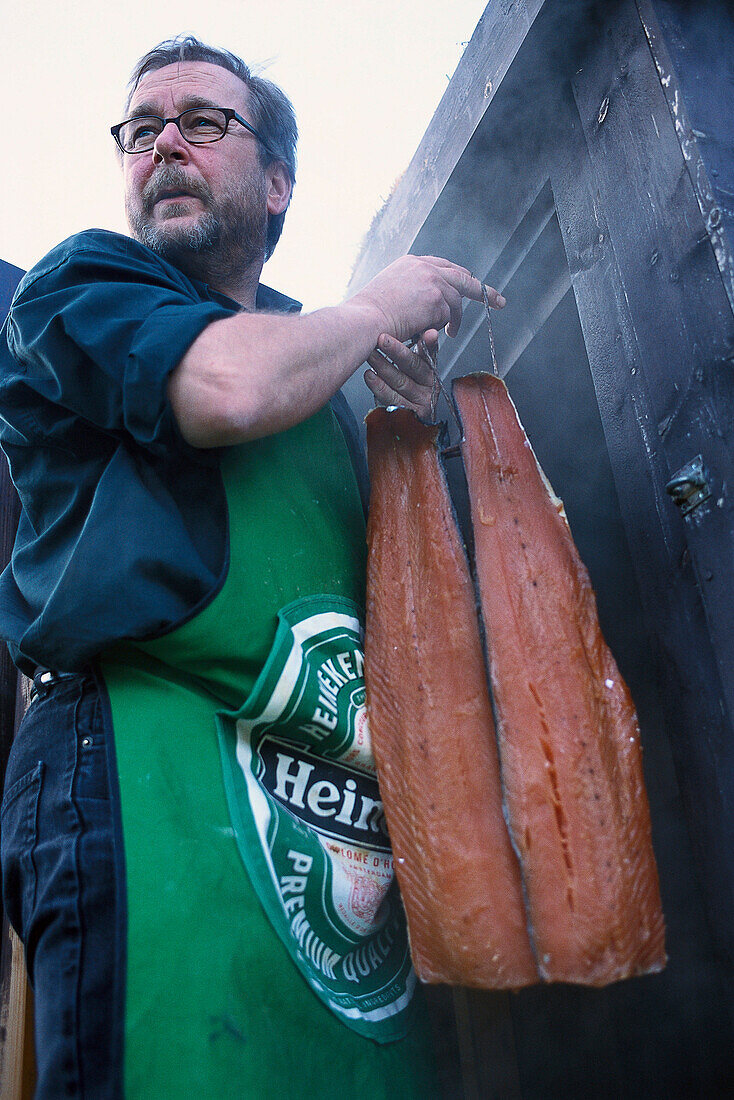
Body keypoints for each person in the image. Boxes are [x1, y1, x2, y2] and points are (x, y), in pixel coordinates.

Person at [0, 36, 504, 1098]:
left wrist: (415, 430)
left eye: (203, 122)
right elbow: (223, 392)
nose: (165, 143)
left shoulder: (327, 381)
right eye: (142, 129)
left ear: (277, 184)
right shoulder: (80, 284)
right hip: (151, 790)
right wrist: (375, 305)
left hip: (349, 860)